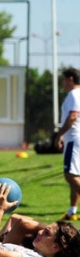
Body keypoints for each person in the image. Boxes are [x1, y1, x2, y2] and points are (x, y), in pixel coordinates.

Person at [56, 68, 80, 221]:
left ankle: (72, 211)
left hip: (74, 138)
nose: (62, 82)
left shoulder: (74, 94)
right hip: (77, 138)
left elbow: (73, 115)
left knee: (70, 175)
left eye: (63, 79)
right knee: (76, 175)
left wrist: (59, 134)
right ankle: (72, 211)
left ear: (70, 79)